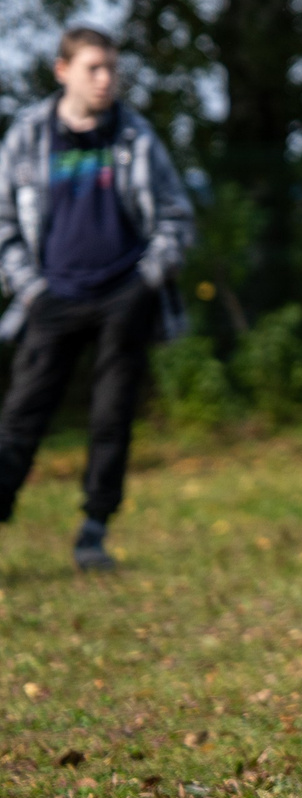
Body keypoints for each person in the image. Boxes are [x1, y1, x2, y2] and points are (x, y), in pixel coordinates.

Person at [0, 28, 195, 573]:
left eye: (112, 68)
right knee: (20, 417)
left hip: (122, 297)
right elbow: (3, 223)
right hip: (52, 298)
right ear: (62, 71)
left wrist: (146, 281)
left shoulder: (135, 135)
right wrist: (31, 290)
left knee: (112, 418)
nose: (106, 79)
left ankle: (94, 531)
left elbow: (176, 217)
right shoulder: (28, 136)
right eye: (94, 68)